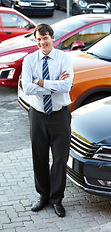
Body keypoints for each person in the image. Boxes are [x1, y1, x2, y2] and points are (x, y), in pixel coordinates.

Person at [21, 23, 74, 217]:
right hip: (38, 114)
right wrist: (54, 84)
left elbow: (67, 85)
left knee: (60, 159)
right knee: (39, 156)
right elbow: (27, 88)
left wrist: (40, 82)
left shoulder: (64, 58)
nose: (42, 42)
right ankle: (43, 196)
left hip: (59, 115)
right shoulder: (29, 61)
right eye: (38, 39)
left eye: (45, 38)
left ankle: (56, 199)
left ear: (52, 37)